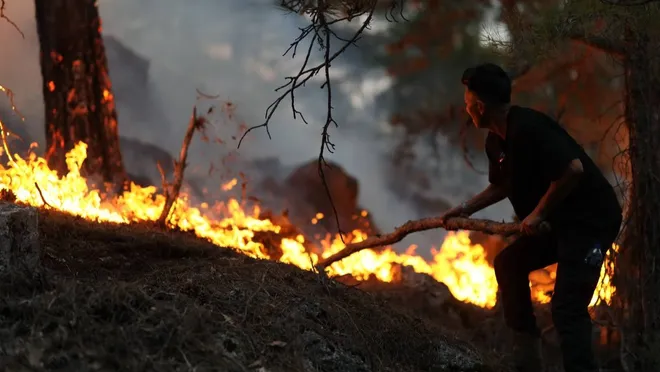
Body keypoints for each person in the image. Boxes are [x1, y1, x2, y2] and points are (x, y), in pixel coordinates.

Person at [440, 63, 622, 372]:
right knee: (509, 263)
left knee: (566, 308)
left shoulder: (529, 128)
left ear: (481, 106)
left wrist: (536, 214)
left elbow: (573, 170)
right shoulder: (496, 142)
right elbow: (501, 185)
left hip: (591, 222)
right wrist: (466, 208)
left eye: (468, 102)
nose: (465, 108)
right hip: (559, 223)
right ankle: (527, 361)